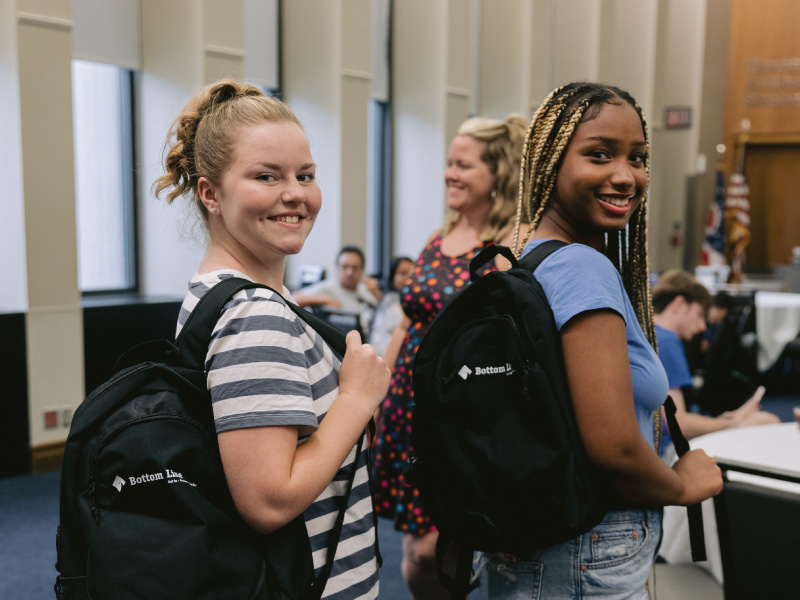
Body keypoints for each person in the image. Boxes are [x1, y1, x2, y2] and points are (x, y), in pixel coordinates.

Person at [477, 82, 723, 599]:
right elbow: (611, 447)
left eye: (638, 157)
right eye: (598, 154)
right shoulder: (581, 267)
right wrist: (683, 485)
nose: (625, 175)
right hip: (587, 548)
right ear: (549, 163)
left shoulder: (521, 251)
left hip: (530, 539)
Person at [153, 80, 390, 599]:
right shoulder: (254, 314)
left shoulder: (216, 294)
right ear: (210, 193)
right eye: (267, 176)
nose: (296, 194)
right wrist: (356, 398)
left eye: (305, 175)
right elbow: (268, 501)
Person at [372, 113, 528, 599]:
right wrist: (377, 391)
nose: (449, 174)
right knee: (415, 551)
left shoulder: (508, 244)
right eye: (448, 163)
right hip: (406, 407)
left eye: (463, 165)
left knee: (429, 556)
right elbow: (406, 321)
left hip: (459, 414)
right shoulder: (438, 237)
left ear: (496, 174)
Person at [652, 269, 778, 458]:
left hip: (652, 446)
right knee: (769, 421)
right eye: (700, 314)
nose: (703, 325)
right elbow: (679, 425)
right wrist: (735, 424)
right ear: (678, 304)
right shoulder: (667, 341)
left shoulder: (650, 333)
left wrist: (729, 419)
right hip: (664, 453)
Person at [294, 245, 380, 335]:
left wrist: (377, 292)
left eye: (355, 268)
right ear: (337, 268)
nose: (349, 273)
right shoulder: (328, 287)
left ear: (362, 270)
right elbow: (294, 299)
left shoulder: (364, 289)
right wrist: (326, 300)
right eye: (345, 267)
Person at [367, 256, 415, 356]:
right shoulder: (391, 301)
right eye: (403, 273)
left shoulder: (414, 300)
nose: (409, 277)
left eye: (413, 273)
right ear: (392, 277)